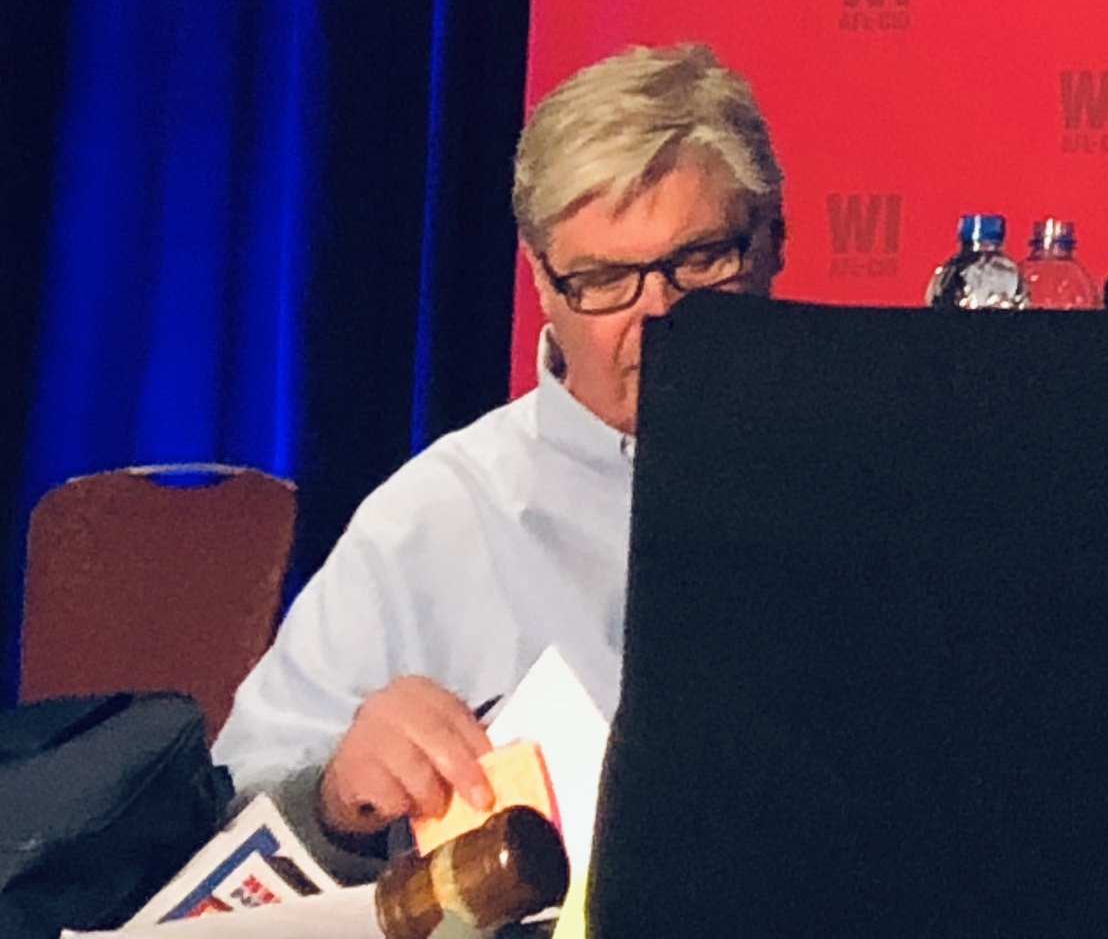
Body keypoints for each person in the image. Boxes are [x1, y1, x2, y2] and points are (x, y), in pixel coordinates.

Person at [218, 43, 784, 844]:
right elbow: (232, 815)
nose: (658, 315)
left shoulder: (886, 488)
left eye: (698, 261)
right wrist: (334, 803)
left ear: (771, 243)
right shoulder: (433, 518)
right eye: (603, 280)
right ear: (542, 283)